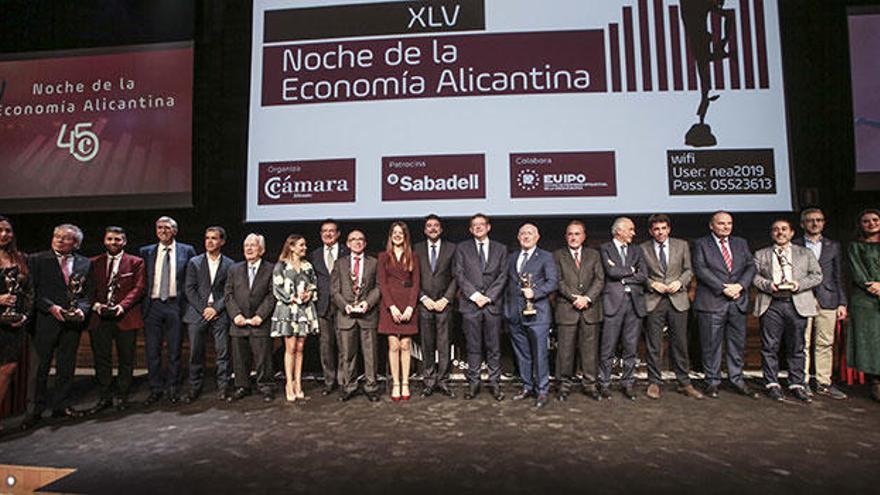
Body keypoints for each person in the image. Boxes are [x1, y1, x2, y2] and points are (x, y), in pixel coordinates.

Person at [21, 224, 93, 430]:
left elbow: (88, 293)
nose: (59, 240)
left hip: (72, 324)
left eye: (66, 238)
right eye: (56, 236)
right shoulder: (36, 260)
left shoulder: (85, 263)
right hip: (45, 322)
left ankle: (61, 406)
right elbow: (31, 290)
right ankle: (33, 411)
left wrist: (82, 310)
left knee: (66, 367)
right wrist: (51, 308)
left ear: (76, 243)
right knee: (39, 369)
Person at [753, 219, 822, 403]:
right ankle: (772, 383)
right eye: (775, 229)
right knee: (769, 346)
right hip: (771, 304)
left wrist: (798, 285)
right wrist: (768, 285)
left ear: (792, 233)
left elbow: (817, 275)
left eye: (784, 229)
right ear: (771, 234)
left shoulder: (805, 253)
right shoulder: (761, 254)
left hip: (796, 303)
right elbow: (754, 277)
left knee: (797, 346)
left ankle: (797, 384)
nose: (780, 232)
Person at [692, 211, 758, 399]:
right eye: (721, 223)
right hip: (712, 301)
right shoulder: (701, 244)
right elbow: (700, 269)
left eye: (729, 223)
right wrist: (723, 288)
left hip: (737, 301)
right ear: (712, 226)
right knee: (711, 345)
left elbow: (750, 266)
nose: (726, 226)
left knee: (736, 344)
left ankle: (737, 380)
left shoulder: (740, 243)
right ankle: (712, 381)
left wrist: (740, 285)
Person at [639, 214, 703, 400]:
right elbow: (641, 274)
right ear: (651, 231)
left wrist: (680, 283)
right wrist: (652, 284)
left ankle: (684, 382)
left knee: (680, 342)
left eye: (663, 228)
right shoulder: (642, 248)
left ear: (669, 229)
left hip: (678, 298)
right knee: (654, 344)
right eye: (656, 229)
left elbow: (689, 270)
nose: (660, 232)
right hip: (654, 299)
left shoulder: (681, 245)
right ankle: (654, 382)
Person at [86, 226, 146, 413]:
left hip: (126, 316)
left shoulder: (136, 262)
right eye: (110, 239)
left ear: (124, 242)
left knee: (126, 359)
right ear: (105, 240)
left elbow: (139, 288)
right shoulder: (92, 262)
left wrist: (122, 306)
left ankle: (122, 395)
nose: (114, 242)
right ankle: (105, 396)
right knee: (101, 359)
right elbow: (86, 289)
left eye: (118, 239)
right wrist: (96, 305)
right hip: (99, 317)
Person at [139, 216, 196, 405]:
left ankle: (173, 387)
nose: (163, 230)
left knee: (174, 350)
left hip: (175, 305)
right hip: (153, 306)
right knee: (152, 351)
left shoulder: (187, 251)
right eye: (159, 227)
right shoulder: (146, 251)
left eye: (167, 227)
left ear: (175, 230)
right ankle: (155, 388)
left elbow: (191, 279)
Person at [793, 208, 848, 399]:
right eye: (810, 220)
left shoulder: (833, 246)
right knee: (803, 342)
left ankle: (824, 382)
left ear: (823, 223)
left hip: (829, 299)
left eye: (819, 220)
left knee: (825, 342)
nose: (815, 223)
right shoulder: (795, 245)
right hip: (803, 298)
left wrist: (842, 302)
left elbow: (838, 275)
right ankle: (803, 382)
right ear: (802, 224)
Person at [454, 213, 508, 401]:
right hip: (471, 305)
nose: (478, 227)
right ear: (470, 229)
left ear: (488, 227)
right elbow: (459, 274)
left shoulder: (501, 248)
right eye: (474, 225)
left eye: (481, 224)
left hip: (492, 306)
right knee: (473, 347)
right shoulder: (462, 248)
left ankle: (495, 384)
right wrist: (476, 296)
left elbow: (503, 276)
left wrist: (489, 297)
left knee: (494, 347)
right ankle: (473, 384)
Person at [505, 223, 557, 408]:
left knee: (540, 354)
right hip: (514, 314)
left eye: (530, 233)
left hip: (538, 315)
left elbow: (552, 282)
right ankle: (527, 387)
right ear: (518, 237)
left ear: (537, 237)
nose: (526, 236)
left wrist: (536, 293)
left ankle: (542, 390)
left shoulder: (546, 257)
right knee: (523, 355)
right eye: (523, 234)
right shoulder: (511, 257)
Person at [553, 220, 604, 401]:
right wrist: (574, 298)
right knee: (565, 352)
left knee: (590, 351)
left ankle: (590, 385)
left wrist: (587, 298)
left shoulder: (594, 255)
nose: (573, 237)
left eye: (577, 234)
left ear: (583, 236)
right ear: (566, 236)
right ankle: (564, 386)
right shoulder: (557, 255)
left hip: (590, 310)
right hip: (567, 309)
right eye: (570, 234)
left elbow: (599, 280)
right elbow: (558, 281)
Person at [597, 217, 647, 400]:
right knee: (607, 347)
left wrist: (623, 274)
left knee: (631, 347)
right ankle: (604, 383)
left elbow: (643, 275)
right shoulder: (605, 248)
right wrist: (631, 270)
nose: (634, 233)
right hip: (613, 304)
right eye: (631, 229)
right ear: (619, 231)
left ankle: (628, 383)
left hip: (634, 304)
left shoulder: (637, 249)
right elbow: (610, 272)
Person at [183, 227, 234, 403]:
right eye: (207, 238)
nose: (210, 241)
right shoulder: (194, 262)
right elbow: (189, 289)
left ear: (222, 241)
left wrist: (216, 309)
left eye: (214, 238)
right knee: (195, 353)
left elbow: (229, 291)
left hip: (220, 313)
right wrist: (204, 308)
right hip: (198, 313)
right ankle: (195, 388)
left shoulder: (230, 264)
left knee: (223, 353)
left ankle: (223, 388)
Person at [225, 234, 276, 402]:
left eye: (253, 245)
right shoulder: (234, 269)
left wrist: (260, 316)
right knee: (240, 358)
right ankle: (242, 386)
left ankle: (266, 386)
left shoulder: (271, 269)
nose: (248, 248)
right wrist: (236, 315)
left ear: (261, 249)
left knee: (263, 358)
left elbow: (272, 295)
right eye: (246, 245)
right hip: (238, 323)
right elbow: (229, 294)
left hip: (260, 322)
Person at [331, 230, 382, 402]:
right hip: (346, 317)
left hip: (368, 315)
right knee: (347, 355)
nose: (357, 242)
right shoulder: (339, 263)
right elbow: (334, 291)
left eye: (361, 239)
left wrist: (367, 303)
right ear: (347, 243)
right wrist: (345, 306)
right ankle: (349, 386)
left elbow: (378, 287)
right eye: (353, 239)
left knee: (370, 355)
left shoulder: (374, 263)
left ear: (365, 243)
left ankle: (371, 386)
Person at [271, 234, 319, 403]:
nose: (304, 248)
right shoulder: (281, 266)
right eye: (301, 245)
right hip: (288, 310)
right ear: (291, 247)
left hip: (304, 311)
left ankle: (298, 383)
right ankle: (288, 384)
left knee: (300, 348)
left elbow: (314, 284)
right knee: (290, 348)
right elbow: (277, 288)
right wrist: (293, 298)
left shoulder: (307, 266)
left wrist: (308, 295)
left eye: (304, 245)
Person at [413, 214, 457, 398]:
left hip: (444, 305)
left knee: (444, 345)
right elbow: (413, 279)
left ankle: (444, 381)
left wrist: (445, 299)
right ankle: (429, 381)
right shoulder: (416, 249)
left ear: (441, 229)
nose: (432, 228)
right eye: (429, 226)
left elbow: (456, 277)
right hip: (424, 305)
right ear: (425, 230)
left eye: (436, 225)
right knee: (427, 345)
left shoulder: (452, 248)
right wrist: (423, 298)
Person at [377, 222, 420, 401]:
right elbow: (382, 283)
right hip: (390, 305)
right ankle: (395, 383)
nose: (397, 235)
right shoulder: (383, 256)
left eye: (400, 233)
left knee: (405, 345)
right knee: (394, 345)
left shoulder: (413, 256)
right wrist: (392, 307)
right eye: (394, 232)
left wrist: (410, 307)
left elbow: (417, 283)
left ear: (405, 236)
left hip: (408, 303)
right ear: (390, 235)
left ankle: (405, 384)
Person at [0, 216, 33, 433]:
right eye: (0, 230)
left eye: (8, 231)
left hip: (13, 323)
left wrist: (25, 315)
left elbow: (29, 292)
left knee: (8, 369)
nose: (4, 235)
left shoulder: (20, 258)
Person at [309, 219, 348, 396]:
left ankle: (343, 381)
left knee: (344, 346)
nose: (328, 234)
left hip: (343, 306)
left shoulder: (347, 252)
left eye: (332, 231)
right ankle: (329, 381)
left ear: (338, 234)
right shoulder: (314, 255)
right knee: (325, 347)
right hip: (322, 307)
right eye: (325, 231)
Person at [846, 208, 880, 402]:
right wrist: (875, 286)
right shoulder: (855, 247)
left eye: (875, 220)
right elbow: (858, 272)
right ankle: (875, 381)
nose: (871, 223)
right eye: (866, 221)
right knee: (870, 342)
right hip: (866, 300)